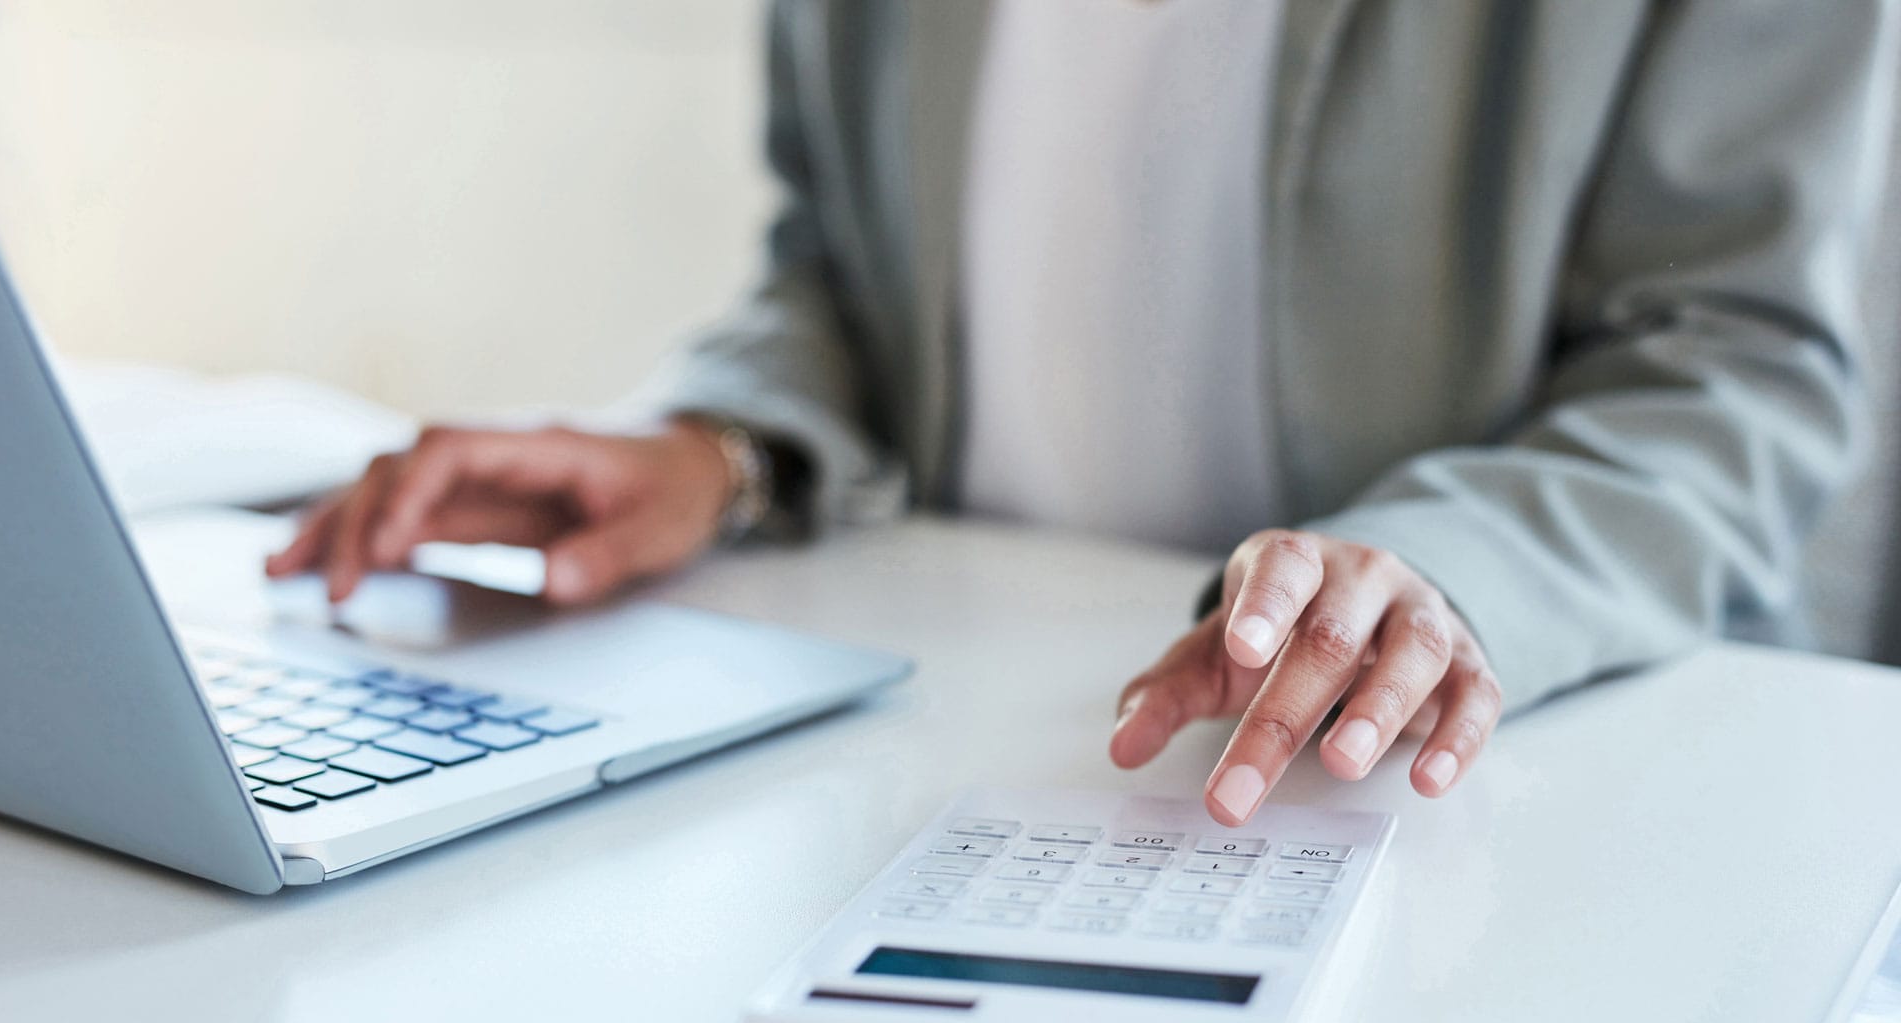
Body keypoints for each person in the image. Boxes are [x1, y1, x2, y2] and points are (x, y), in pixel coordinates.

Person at [267, 0, 1894, 826]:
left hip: (1457, 790)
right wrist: (724, 447)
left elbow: (1735, 358)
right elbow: (839, 258)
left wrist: (1449, 574)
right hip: (950, 738)